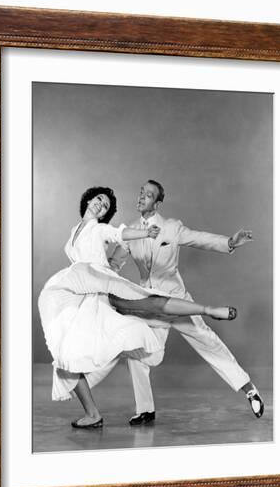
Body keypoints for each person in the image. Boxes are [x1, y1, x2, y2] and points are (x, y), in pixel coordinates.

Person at [38, 186, 237, 429]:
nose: (101, 204)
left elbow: (119, 234)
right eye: (99, 199)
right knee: (64, 359)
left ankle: (209, 311)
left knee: (148, 300)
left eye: (106, 206)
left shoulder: (99, 228)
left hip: (102, 287)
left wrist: (144, 234)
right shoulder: (73, 232)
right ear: (89, 199)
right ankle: (93, 415)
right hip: (81, 293)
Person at [108, 180, 264, 426]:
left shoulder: (171, 228)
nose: (142, 197)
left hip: (177, 302)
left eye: (148, 195)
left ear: (157, 203)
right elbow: (114, 265)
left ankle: (250, 390)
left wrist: (230, 243)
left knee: (209, 343)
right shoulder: (130, 232)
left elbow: (200, 239)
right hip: (149, 306)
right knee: (137, 352)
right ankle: (145, 409)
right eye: (141, 193)